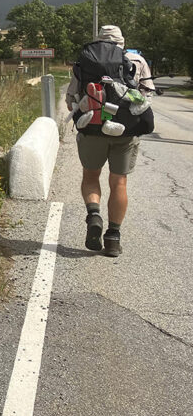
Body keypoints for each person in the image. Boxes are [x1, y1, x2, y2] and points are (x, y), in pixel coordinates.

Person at [65, 25, 155, 257]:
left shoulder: (85, 60)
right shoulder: (136, 60)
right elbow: (147, 96)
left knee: (91, 176)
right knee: (119, 182)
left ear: (99, 42)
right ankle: (113, 238)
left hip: (92, 128)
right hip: (125, 131)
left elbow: (70, 99)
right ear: (122, 42)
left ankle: (94, 215)